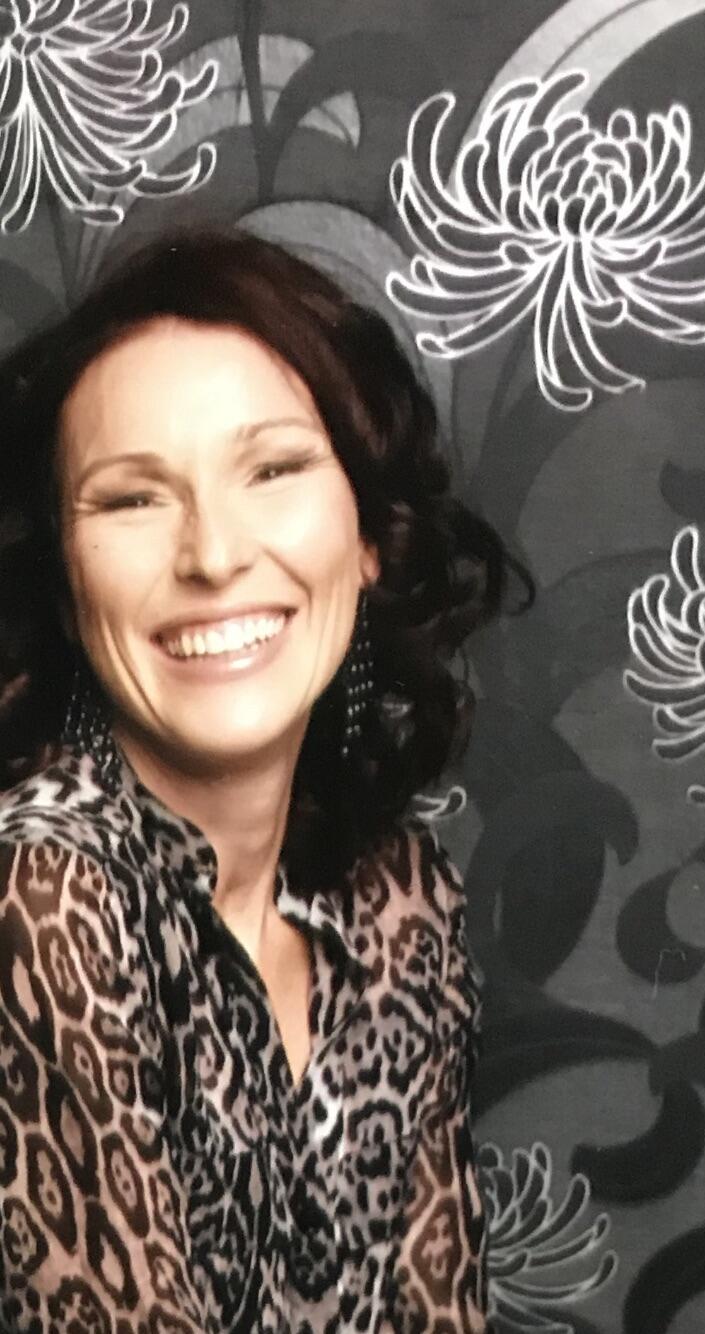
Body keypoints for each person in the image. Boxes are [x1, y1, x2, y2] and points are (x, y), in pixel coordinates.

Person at [0, 229, 516, 1333]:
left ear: (369, 536)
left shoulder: (397, 900)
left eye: (273, 470)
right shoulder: (41, 894)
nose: (214, 554)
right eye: (132, 499)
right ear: (66, 581)